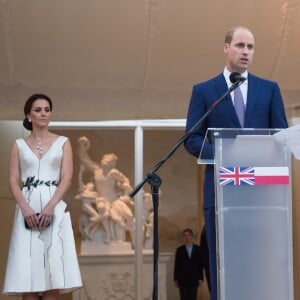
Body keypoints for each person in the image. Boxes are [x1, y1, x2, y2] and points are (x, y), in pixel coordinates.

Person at [184, 26, 288, 300]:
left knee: (258, 264)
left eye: (251, 47)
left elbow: (281, 138)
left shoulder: (269, 90)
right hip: (221, 192)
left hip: (261, 191)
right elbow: (191, 139)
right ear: (226, 47)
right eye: (240, 45)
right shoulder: (205, 91)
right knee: (222, 265)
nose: (246, 52)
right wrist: (223, 156)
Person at [3, 94, 82, 300]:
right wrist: (25, 209)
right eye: (38, 110)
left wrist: (50, 207)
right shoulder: (18, 144)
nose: (43, 113)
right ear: (29, 115)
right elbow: (12, 180)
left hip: (53, 207)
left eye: (47, 109)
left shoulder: (63, 142)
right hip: (26, 207)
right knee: (27, 274)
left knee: (52, 273)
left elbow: (67, 178)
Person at [173, 228, 204, 300]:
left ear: (191, 236)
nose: (187, 237)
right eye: (185, 235)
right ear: (183, 237)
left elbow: (200, 265)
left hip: (194, 279)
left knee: (193, 297)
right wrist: (175, 279)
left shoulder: (198, 249)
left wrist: (201, 278)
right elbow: (177, 265)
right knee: (183, 298)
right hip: (182, 280)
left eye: (188, 235)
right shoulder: (179, 250)